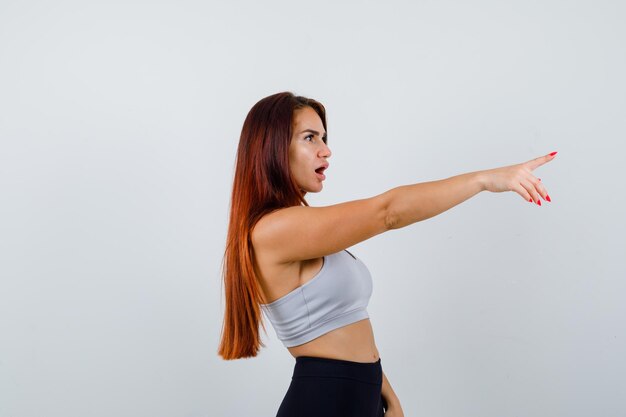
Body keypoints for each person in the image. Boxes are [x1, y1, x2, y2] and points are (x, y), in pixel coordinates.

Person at [217, 91, 557, 417]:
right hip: (324, 400)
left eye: (323, 137)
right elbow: (387, 212)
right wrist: (483, 179)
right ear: (273, 148)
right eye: (310, 138)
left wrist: (385, 392)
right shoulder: (274, 230)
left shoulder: (297, 227)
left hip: (360, 395)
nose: (326, 150)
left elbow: (346, 325)